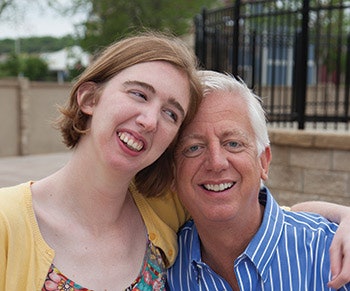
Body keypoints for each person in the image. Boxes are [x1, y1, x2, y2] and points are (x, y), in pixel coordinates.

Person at [0, 32, 203, 291]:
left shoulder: (167, 210)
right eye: (139, 94)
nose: (150, 121)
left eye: (170, 113)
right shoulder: (5, 222)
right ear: (89, 99)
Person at [167, 70, 350, 290]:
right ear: (172, 173)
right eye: (193, 148)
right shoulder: (164, 266)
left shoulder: (333, 255)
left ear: (263, 161)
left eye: (233, 143)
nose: (216, 163)